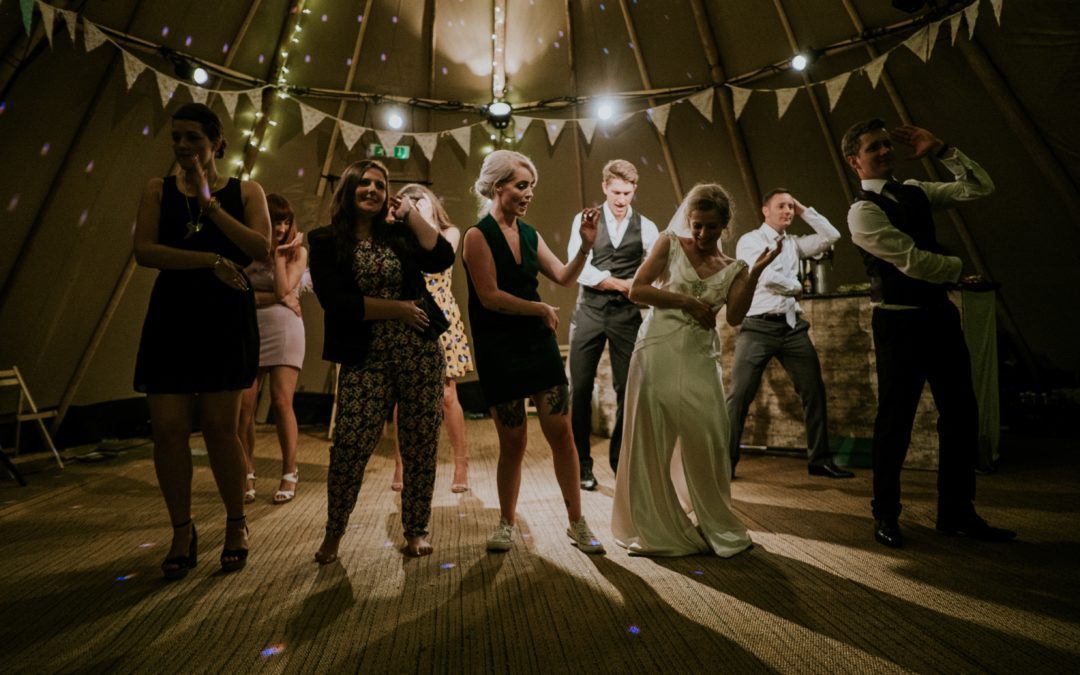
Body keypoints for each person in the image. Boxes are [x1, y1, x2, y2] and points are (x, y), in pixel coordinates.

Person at [841, 119, 1015, 548]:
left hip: (938, 316)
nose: (884, 151)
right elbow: (915, 263)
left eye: (886, 144)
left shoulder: (916, 189)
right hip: (898, 323)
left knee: (960, 413)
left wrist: (943, 150)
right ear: (854, 161)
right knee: (895, 421)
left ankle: (956, 511)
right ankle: (885, 515)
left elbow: (980, 187)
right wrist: (955, 268)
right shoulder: (862, 210)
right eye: (874, 147)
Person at [132, 103, 271, 579]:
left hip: (225, 316)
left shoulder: (246, 191)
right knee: (168, 429)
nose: (183, 147)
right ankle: (181, 530)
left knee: (219, 428)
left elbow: (259, 248)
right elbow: (144, 251)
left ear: (217, 145)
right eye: (177, 138)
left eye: (193, 138)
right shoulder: (157, 190)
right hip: (172, 314)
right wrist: (208, 259)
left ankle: (235, 523)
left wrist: (212, 206)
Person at [611, 183, 779, 557]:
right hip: (657, 349)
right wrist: (686, 300)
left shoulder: (733, 267)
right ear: (689, 220)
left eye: (711, 227)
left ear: (725, 226)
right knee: (652, 439)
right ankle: (655, 526)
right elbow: (637, 290)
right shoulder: (670, 244)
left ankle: (709, 519)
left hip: (702, 358)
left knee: (709, 437)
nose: (702, 234)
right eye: (697, 225)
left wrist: (753, 276)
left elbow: (734, 316)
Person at [308, 160, 454, 562]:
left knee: (420, 442)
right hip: (364, 356)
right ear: (349, 188)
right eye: (364, 183)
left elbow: (442, 257)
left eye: (379, 184)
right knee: (351, 444)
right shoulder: (323, 241)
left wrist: (409, 213)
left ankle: (416, 529)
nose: (372, 189)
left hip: (418, 353)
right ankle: (334, 532)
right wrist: (398, 309)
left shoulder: (399, 235)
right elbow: (337, 303)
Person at [461, 150, 604, 555]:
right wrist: (539, 308)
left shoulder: (529, 233)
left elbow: (561, 275)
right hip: (500, 347)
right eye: (522, 186)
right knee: (514, 442)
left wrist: (585, 248)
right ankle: (506, 522)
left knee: (562, 435)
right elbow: (489, 297)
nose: (528, 194)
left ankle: (577, 522)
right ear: (497, 186)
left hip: (537, 344)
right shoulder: (477, 235)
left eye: (531, 187)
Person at [726, 189, 853, 479]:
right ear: (765, 211)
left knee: (814, 391)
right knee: (739, 395)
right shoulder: (751, 241)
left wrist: (803, 209)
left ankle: (819, 460)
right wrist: (797, 286)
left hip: (792, 327)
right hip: (758, 326)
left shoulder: (793, 244)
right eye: (781, 206)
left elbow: (832, 236)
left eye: (789, 207)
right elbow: (766, 277)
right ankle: (725, 462)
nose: (787, 211)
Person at [567, 159, 659, 491]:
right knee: (579, 388)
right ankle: (582, 465)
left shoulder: (647, 226)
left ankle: (621, 461)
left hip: (625, 317)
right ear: (605, 187)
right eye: (616, 192)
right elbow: (582, 269)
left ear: (634, 190)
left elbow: (655, 269)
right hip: (589, 311)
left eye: (628, 193)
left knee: (630, 388)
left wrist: (642, 285)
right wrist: (624, 284)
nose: (621, 200)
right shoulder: (585, 219)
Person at [389, 183, 475, 493]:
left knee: (448, 394)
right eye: (408, 200)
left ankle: (460, 463)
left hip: (442, 317)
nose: (413, 204)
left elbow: (442, 256)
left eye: (419, 200)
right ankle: (400, 463)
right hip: (410, 313)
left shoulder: (449, 232)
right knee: (403, 395)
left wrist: (415, 217)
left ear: (431, 204)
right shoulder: (399, 238)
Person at [238, 194, 308, 505]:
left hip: (284, 328)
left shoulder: (297, 253)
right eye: (275, 221)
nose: (280, 227)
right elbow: (239, 294)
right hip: (247, 327)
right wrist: (273, 298)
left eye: (285, 221)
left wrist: (280, 256)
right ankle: (245, 472)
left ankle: (290, 472)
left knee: (282, 403)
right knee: (244, 407)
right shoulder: (244, 249)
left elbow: (284, 290)